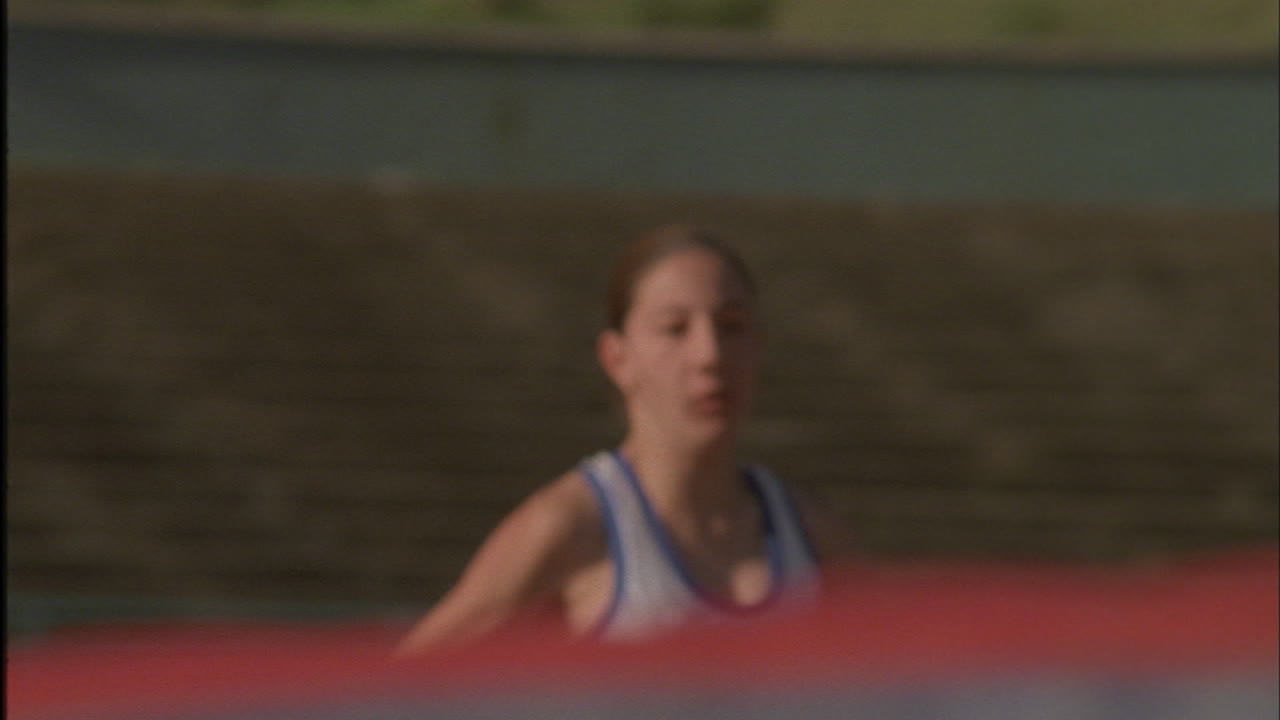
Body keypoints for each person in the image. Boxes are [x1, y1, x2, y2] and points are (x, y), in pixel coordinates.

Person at [397, 223, 851, 653]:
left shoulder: (811, 530)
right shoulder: (571, 526)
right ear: (617, 359)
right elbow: (398, 683)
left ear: (758, 344)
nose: (710, 355)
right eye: (674, 328)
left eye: (731, 326)